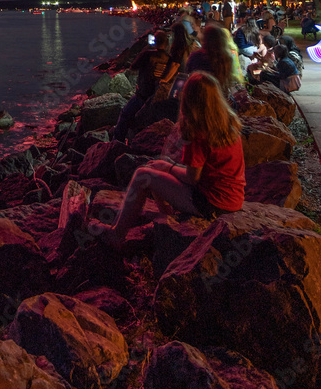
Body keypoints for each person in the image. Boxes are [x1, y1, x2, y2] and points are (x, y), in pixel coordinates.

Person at [101, 72, 245, 249]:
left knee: (142, 175)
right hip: (233, 198)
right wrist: (169, 167)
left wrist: (168, 167)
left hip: (212, 203)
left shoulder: (199, 131)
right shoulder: (228, 123)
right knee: (158, 170)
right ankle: (168, 219)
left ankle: (116, 235)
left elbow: (193, 178)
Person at [112, 31, 170, 142]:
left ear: (154, 41)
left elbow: (133, 67)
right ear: (167, 43)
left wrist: (144, 50)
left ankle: (117, 142)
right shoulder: (169, 59)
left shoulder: (147, 54)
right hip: (157, 98)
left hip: (143, 95)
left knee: (125, 115)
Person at [186, 24, 240, 97]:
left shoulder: (196, 56)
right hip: (219, 97)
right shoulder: (226, 57)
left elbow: (188, 74)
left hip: (198, 96)